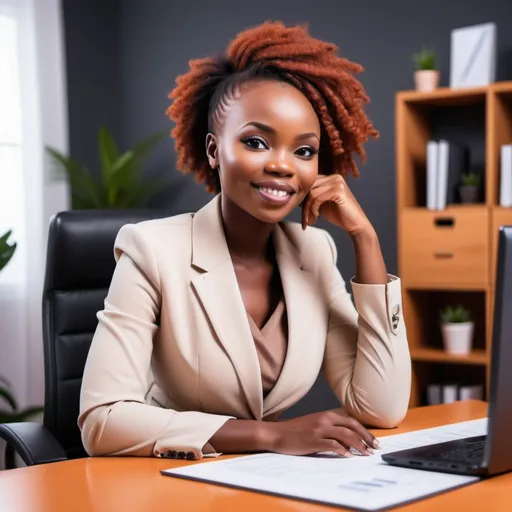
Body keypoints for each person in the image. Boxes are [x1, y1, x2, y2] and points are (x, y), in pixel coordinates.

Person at [78, 20, 411, 461]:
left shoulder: (314, 252)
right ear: (214, 150)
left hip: (258, 484)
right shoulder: (151, 250)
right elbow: (102, 420)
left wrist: (364, 239)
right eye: (257, 142)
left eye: (304, 151)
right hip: (162, 476)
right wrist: (269, 436)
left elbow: (381, 408)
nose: (283, 165)